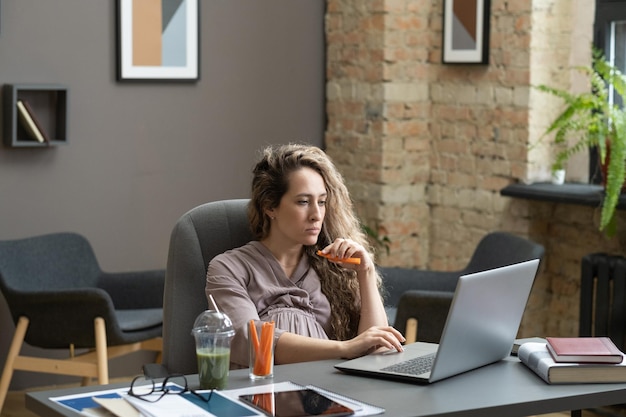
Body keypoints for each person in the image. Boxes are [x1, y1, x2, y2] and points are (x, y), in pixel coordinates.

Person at [205, 143, 405, 368]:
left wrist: (365, 272)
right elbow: (248, 339)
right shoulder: (228, 267)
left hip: (328, 393)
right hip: (261, 394)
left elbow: (376, 350)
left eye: (321, 202)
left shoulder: (334, 268)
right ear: (270, 206)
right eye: (303, 202)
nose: (316, 215)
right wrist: (345, 348)